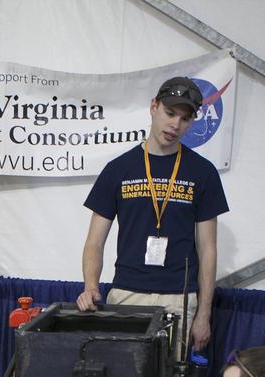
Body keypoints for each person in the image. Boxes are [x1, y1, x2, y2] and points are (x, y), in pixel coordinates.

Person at [76, 76, 229, 352]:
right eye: (170, 113)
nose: (175, 125)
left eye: (185, 118)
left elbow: (208, 249)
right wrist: (91, 286)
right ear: (153, 107)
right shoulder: (118, 170)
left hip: (179, 298)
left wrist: (203, 314)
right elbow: (94, 241)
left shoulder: (203, 173)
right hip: (127, 294)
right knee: (123, 374)